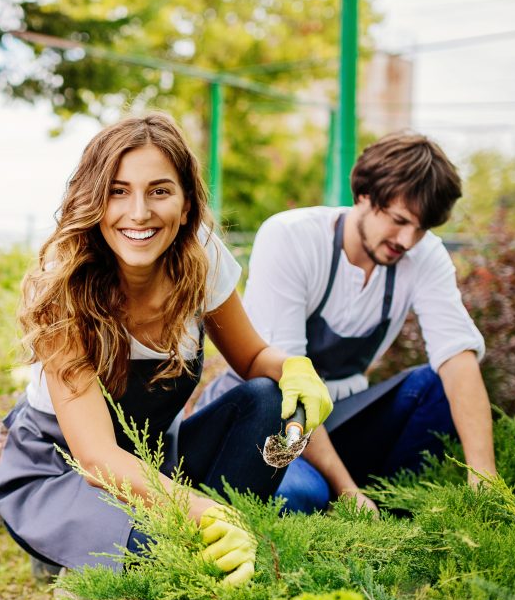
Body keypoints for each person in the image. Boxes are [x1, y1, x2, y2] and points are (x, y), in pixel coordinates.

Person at [0, 112, 333, 590]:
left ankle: (221, 551)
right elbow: (96, 458)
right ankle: (101, 578)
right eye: (117, 190)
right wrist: (202, 510)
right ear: (93, 199)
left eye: (159, 190)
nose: (138, 212)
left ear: (187, 202)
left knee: (266, 399)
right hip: (64, 473)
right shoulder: (63, 287)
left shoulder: (201, 258)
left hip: (155, 466)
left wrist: (295, 368)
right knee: (166, 552)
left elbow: (253, 360)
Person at [196, 132, 496, 515]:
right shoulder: (291, 237)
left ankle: (395, 510)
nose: (407, 240)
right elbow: (285, 384)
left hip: (344, 416)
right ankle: (343, 497)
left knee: (436, 385)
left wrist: (484, 479)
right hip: (273, 415)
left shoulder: (424, 254)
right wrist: (347, 490)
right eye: (399, 220)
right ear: (364, 197)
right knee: (300, 496)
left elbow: (457, 356)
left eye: (420, 229)